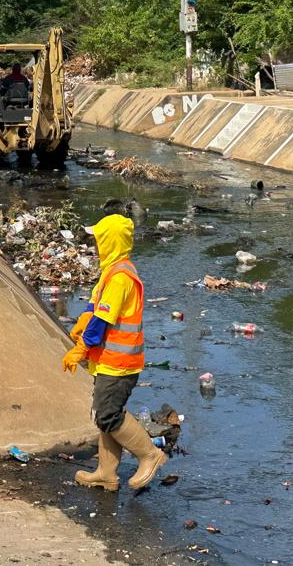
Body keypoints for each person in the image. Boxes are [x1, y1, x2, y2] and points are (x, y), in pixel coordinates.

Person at [62, 202, 166, 492]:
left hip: (119, 363)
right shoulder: (113, 271)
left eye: (98, 239)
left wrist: (81, 348)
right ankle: (107, 472)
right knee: (103, 413)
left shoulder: (120, 277)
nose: (95, 245)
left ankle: (150, 454)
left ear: (109, 241)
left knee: (108, 414)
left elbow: (102, 323)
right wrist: (84, 317)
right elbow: (97, 309)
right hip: (110, 360)